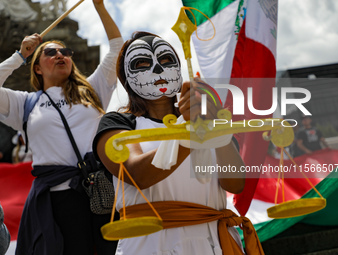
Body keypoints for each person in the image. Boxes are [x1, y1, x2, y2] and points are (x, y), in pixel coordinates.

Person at [94, 32, 263, 255]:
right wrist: (191, 133)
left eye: (166, 60)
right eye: (142, 63)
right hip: (152, 245)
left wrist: (216, 128)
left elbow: (235, 183)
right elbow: (137, 174)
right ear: (127, 78)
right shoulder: (117, 122)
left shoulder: (207, 117)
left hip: (214, 243)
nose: (157, 69)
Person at [0, 0, 123, 254]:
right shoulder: (25, 103)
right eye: (50, 52)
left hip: (99, 195)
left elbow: (118, 48)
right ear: (36, 67)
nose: (60, 55)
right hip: (57, 202)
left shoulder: (93, 89)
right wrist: (18, 56)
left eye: (65, 52)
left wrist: (99, 6)